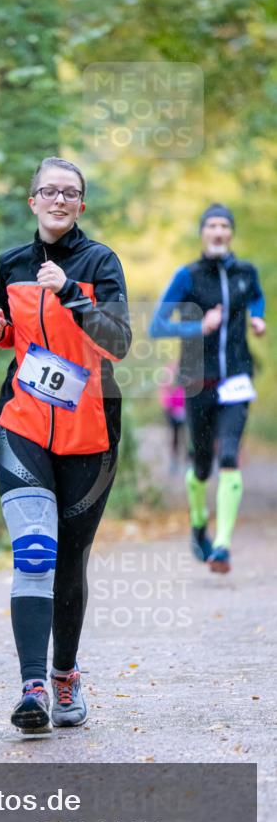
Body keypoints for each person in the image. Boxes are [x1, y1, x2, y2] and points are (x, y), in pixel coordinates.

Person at [0, 157, 131, 733]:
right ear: (32, 200)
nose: (59, 200)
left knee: (69, 560)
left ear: (81, 206)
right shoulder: (12, 263)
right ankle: (33, 687)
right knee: (36, 551)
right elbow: (20, 337)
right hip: (21, 423)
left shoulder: (101, 262)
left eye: (70, 193)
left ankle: (65, 672)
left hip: (90, 433)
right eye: (49, 191)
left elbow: (118, 343)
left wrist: (71, 291)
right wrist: (0, 335)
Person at [149, 204, 266, 574]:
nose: (218, 231)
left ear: (230, 233)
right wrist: (198, 326)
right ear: (203, 232)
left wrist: (258, 317)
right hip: (197, 379)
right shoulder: (187, 275)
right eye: (212, 225)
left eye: (224, 226)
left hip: (236, 379)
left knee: (229, 456)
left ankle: (222, 546)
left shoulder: (246, 273)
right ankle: (199, 522)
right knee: (201, 466)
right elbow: (157, 326)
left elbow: (257, 296)